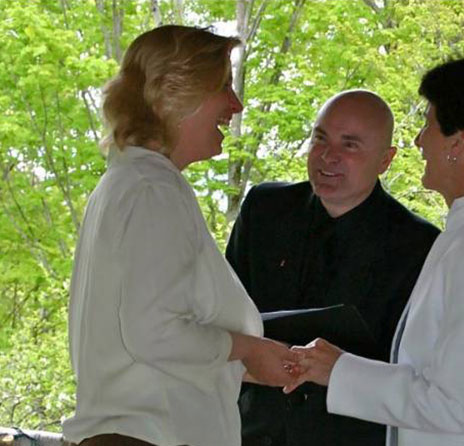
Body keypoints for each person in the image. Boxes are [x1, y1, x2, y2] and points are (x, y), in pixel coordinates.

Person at [288, 58, 464, 446]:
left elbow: (452, 405)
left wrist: (338, 370)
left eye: (428, 124)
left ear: (458, 142)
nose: (418, 141)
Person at [63, 25, 297, 446]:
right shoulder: (153, 189)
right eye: (223, 86)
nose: (236, 104)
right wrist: (246, 348)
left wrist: (249, 364)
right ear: (174, 92)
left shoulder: (126, 183)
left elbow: (148, 345)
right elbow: (154, 332)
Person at [225, 90, 440, 446]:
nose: (328, 156)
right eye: (320, 138)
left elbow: (414, 372)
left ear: (385, 160)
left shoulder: (419, 245)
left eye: (350, 145)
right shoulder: (265, 209)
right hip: (251, 430)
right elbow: (224, 317)